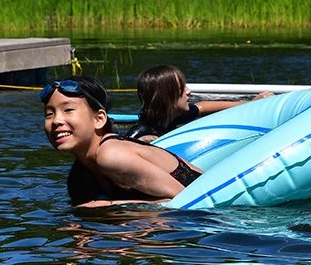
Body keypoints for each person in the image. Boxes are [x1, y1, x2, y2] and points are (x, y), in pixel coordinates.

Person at [41, 76, 203, 207]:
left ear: (99, 119)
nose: (56, 121)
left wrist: (109, 205)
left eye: (68, 110)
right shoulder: (78, 177)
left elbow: (185, 199)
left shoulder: (111, 154)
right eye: (49, 114)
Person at [126, 64, 273, 142]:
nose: (189, 91)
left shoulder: (174, 116)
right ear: (166, 97)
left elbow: (202, 107)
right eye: (181, 89)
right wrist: (141, 143)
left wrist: (249, 104)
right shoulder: (141, 131)